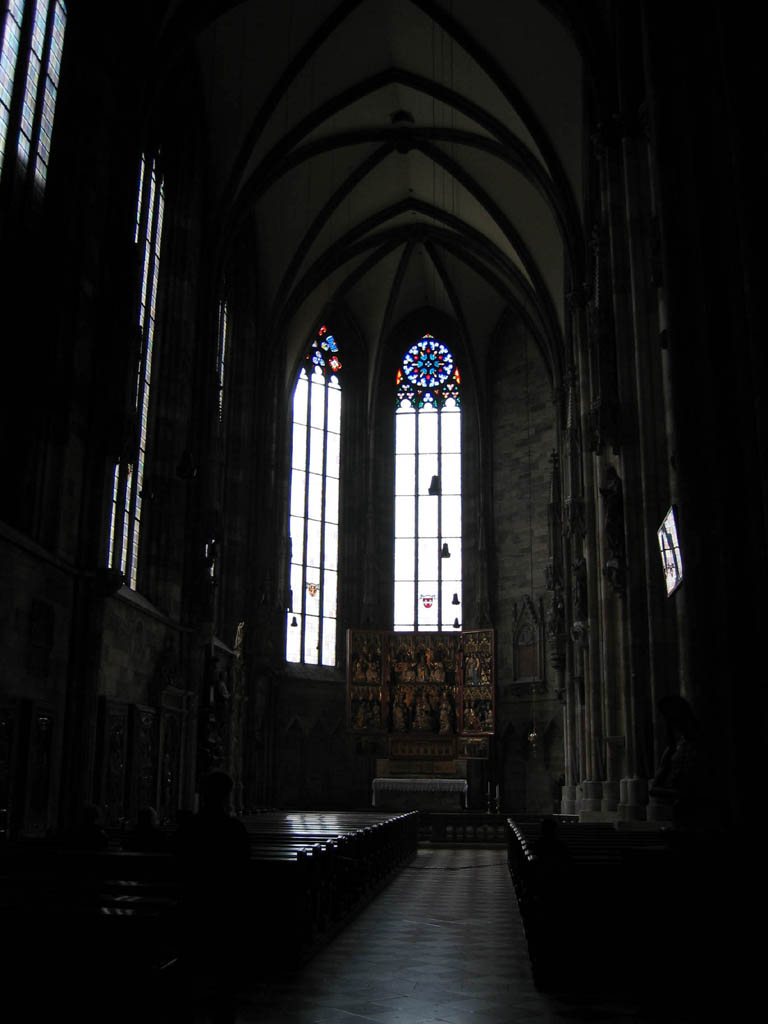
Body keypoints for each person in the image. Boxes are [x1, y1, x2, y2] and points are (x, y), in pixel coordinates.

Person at [168, 771, 250, 1023]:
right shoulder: (234, 829)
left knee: (189, 964)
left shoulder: (188, 828)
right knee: (224, 971)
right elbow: (242, 872)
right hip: (223, 909)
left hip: (192, 906)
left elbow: (176, 866)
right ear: (227, 795)